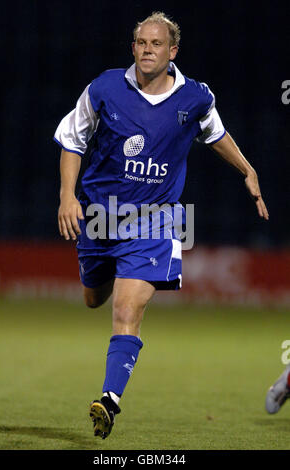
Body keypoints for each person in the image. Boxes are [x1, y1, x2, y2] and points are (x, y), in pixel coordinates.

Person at [54, 11, 269, 439]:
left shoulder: (195, 98)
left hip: (155, 219)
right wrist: (66, 196)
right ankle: (104, 274)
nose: (146, 50)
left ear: (172, 51)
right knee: (94, 298)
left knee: (126, 308)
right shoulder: (104, 87)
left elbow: (216, 134)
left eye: (156, 44)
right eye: (140, 42)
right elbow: (72, 140)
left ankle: (109, 400)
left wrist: (247, 170)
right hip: (99, 214)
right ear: (132, 47)